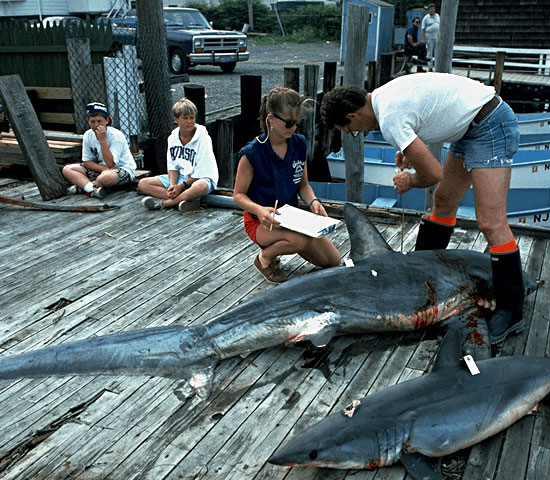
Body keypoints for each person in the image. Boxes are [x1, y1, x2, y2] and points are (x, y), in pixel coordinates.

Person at [320, 74, 524, 345]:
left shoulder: (389, 118)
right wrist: (409, 148)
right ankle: (421, 271)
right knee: (443, 202)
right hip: (470, 126)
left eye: (352, 131)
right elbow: (427, 113)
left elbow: (432, 173)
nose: (358, 133)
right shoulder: (382, 96)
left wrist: (411, 180)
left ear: (353, 116)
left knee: (490, 222)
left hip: (489, 124)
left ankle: (511, 310)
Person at [233, 86, 341, 284]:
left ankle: (281, 245)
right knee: (299, 240)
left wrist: (314, 202)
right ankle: (264, 259)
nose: (293, 127)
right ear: (271, 118)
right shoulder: (251, 153)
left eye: (297, 122)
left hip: (292, 217)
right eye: (289, 122)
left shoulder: (298, 143)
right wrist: (260, 210)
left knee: (334, 260)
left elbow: (303, 186)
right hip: (260, 221)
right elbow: (238, 195)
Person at [138, 98, 219, 213]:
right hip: (181, 178)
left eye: (192, 118)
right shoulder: (172, 138)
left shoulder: (203, 138)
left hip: (201, 178)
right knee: (143, 184)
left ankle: (168, 203)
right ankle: (188, 200)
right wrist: (172, 186)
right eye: (185, 118)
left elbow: (202, 171)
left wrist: (181, 186)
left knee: (200, 187)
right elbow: (172, 166)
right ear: (176, 119)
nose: (189, 121)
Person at [62, 102, 136, 199]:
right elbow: (87, 161)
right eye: (92, 122)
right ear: (88, 122)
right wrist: (104, 169)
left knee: (105, 178)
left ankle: (85, 186)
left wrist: (102, 140)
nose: (96, 125)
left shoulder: (117, 136)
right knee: (68, 169)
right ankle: (92, 189)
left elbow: (111, 164)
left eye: (99, 121)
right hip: (101, 169)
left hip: (121, 169)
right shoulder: (88, 135)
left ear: (107, 121)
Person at [421, 3, 440, 67]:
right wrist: (424, 39)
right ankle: (430, 66)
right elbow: (423, 29)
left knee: (437, 52)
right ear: (428, 10)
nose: (432, 10)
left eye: (433, 9)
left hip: (437, 36)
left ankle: (437, 66)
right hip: (429, 37)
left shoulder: (437, 16)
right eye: (430, 9)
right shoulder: (426, 18)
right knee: (430, 52)